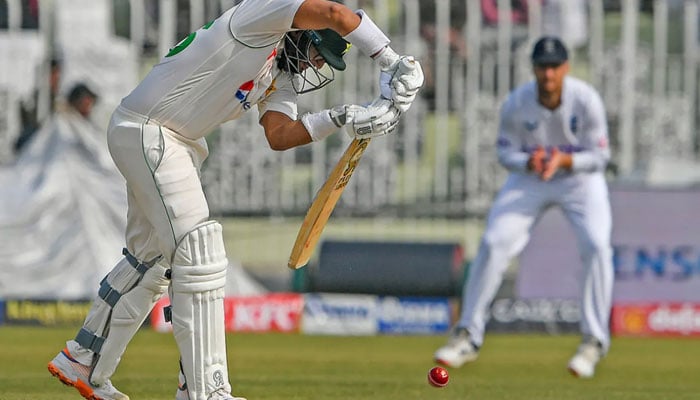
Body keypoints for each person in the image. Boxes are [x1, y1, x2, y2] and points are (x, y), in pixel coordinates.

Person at [47, 1, 424, 400]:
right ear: (302, 31)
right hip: (150, 130)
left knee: (152, 261)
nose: (315, 65)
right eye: (316, 52)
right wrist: (391, 60)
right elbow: (334, 12)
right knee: (200, 252)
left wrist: (343, 117)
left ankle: (84, 357)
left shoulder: (279, 73)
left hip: (171, 141)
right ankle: (205, 390)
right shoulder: (258, 17)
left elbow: (279, 135)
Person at [433, 36, 613, 379]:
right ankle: (468, 334)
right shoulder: (517, 102)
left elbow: (600, 156)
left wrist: (564, 160)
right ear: (534, 68)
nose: (548, 74)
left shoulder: (586, 99)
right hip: (530, 178)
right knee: (494, 241)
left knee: (597, 244)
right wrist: (531, 162)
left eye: (555, 67)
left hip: (578, 180)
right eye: (543, 67)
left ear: (566, 68)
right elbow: (505, 153)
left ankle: (593, 341)